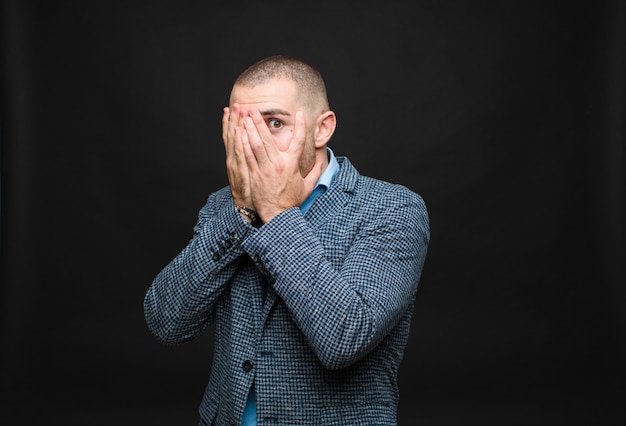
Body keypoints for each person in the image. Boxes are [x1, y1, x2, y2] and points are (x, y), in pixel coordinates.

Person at [144, 55, 430, 426]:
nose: (254, 144)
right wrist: (242, 213)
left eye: (274, 123)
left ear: (322, 128)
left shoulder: (391, 209)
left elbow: (346, 337)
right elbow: (167, 322)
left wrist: (276, 211)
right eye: (241, 128)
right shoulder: (223, 206)